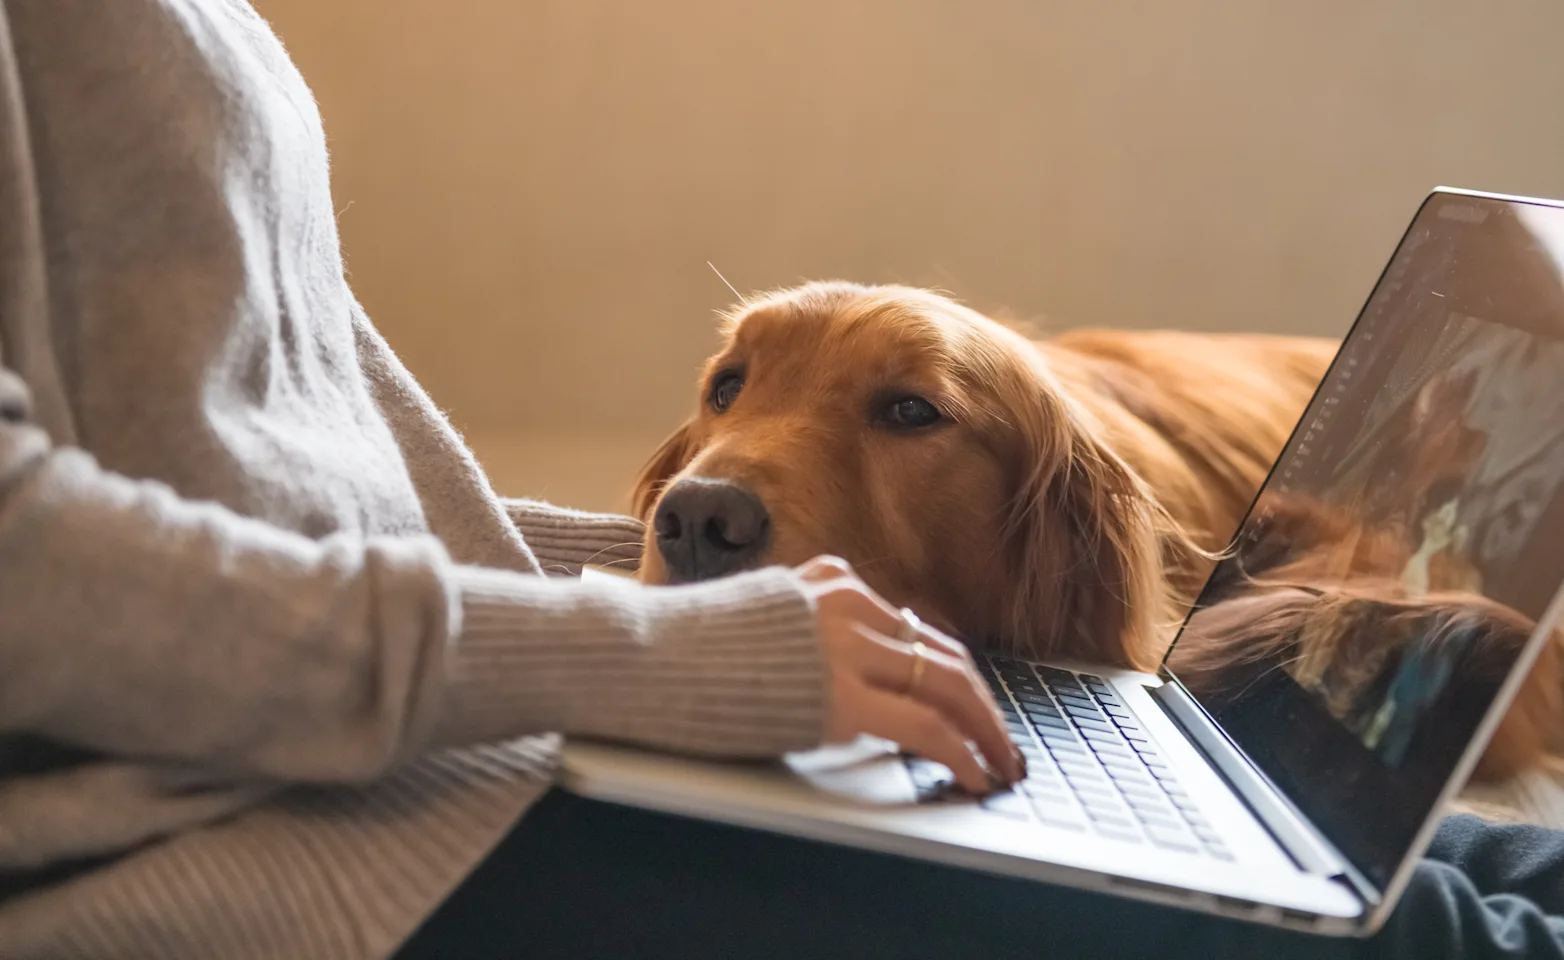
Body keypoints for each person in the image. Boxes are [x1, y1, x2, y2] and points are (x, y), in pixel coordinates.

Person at [0, 3, 1560, 958]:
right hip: (242, 837)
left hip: (410, 731)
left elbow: (279, 464)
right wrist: (643, 650)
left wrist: (646, 601)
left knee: (1463, 851)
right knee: (1412, 936)